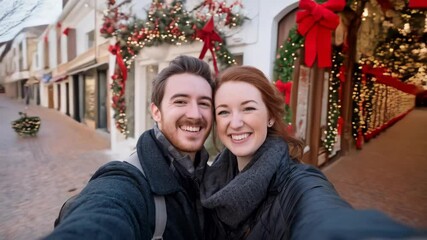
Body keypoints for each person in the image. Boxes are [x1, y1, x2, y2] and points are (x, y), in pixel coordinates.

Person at [200, 65, 426, 240]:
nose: (236, 122)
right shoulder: (212, 179)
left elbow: (325, 217)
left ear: (270, 116)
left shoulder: (298, 182)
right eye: (224, 112)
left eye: (248, 108)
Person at [44, 55, 215, 240]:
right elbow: (103, 210)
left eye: (204, 103)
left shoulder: (215, 176)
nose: (195, 114)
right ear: (156, 112)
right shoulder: (129, 180)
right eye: (180, 101)